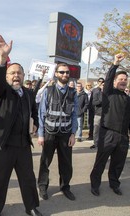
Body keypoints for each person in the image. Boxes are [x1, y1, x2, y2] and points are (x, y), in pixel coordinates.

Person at [0, 34, 43, 216]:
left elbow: (33, 113)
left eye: (19, 73)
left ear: (23, 76)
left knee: (28, 179)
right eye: (12, 73)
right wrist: (2, 59)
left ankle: (31, 207)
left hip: (23, 145)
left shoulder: (29, 94)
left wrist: (36, 124)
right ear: (7, 76)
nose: (16, 76)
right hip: (3, 145)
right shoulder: (2, 90)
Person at [90, 53, 130, 197]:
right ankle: (95, 185)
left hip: (123, 137)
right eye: (120, 79)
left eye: (125, 80)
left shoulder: (129, 100)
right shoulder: (109, 92)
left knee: (118, 163)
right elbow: (108, 78)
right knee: (101, 162)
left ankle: (114, 184)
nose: (123, 81)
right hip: (107, 134)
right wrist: (115, 63)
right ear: (115, 81)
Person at [37, 62, 78, 201]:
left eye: (67, 72)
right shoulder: (48, 91)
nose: (65, 74)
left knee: (66, 163)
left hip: (66, 133)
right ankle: (42, 187)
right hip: (50, 132)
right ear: (56, 74)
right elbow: (41, 113)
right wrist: (41, 135)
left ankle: (65, 187)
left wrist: (73, 134)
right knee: (45, 162)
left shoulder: (73, 93)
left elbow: (74, 114)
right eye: (61, 72)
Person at [89, 78, 104, 149]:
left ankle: (102, 143)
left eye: (102, 82)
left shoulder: (107, 91)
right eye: (100, 81)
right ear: (98, 82)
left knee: (104, 130)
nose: (101, 83)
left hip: (106, 114)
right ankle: (96, 143)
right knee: (96, 130)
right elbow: (94, 102)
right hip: (97, 113)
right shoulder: (95, 90)